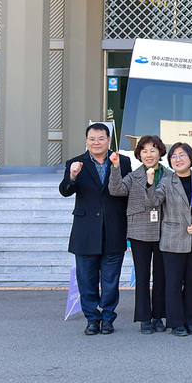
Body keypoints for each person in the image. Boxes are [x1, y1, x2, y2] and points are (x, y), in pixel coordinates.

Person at [59, 122, 132, 335]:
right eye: (92, 139)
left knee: (111, 280)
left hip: (114, 229)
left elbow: (129, 192)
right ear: (86, 141)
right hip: (85, 232)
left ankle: (108, 318)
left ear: (109, 140)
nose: (96, 142)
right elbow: (65, 191)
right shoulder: (75, 163)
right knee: (86, 280)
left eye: (101, 138)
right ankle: (92, 318)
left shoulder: (122, 161)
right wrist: (71, 176)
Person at [108, 134, 167, 334]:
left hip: (165, 230)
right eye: (144, 151)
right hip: (139, 230)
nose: (148, 154)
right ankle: (144, 317)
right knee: (142, 276)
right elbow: (116, 190)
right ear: (139, 154)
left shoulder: (169, 175)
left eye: (153, 150)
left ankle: (159, 315)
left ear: (160, 152)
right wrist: (115, 167)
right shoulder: (134, 176)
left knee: (161, 276)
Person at [152, 142, 192, 337]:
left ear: (191, 158)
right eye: (174, 156)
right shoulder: (166, 181)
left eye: (182, 155)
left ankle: (190, 321)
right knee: (174, 283)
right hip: (172, 240)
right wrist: (149, 183)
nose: (178, 159)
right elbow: (154, 201)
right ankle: (176, 322)